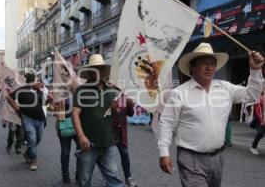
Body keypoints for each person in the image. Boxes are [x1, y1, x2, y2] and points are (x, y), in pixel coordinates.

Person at [158, 42, 264, 187]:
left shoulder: (225, 88)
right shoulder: (179, 93)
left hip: (217, 158)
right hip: (190, 159)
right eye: (203, 63)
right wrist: (164, 153)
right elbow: (166, 123)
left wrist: (256, 70)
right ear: (192, 67)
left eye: (212, 63)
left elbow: (251, 96)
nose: (209, 67)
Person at [72, 54, 124, 187]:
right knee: (85, 181)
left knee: (114, 180)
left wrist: (117, 108)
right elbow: (75, 114)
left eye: (100, 69)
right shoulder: (81, 90)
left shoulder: (112, 90)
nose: (97, 72)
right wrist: (82, 137)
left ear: (103, 71)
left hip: (108, 143)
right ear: (89, 72)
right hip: (88, 144)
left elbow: (117, 113)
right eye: (94, 69)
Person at [6, 72, 46, 171]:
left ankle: (27, 153)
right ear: (31, 82)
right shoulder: (22, 90)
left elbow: (42, 105)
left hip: (40, 119)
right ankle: (33, 160)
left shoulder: (40, 92)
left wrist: (49, 100)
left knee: (37, 139)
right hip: (27, 119)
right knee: (32, 139)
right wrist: (17, 108)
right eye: (37, 80)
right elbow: (8, 97)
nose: (39, 82)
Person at [111, 92, 138, 187]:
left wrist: (130, 106)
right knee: (107, 155)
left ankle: (128, 177)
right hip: (109, 130)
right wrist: (112, 108)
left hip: (121, 131)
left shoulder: (123, 97)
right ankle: (109, 178)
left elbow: (130, 114)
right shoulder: (108, 94)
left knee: (125, 154)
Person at [55, 98, 80, 183]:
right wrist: (56, 104)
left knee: (81, 150)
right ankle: (65, 174)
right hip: (64, 125)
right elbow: (53, 110)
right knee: (65, 151)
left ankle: (79, 173)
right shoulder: (60, 94)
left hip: (79, 126)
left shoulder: (79, 92)